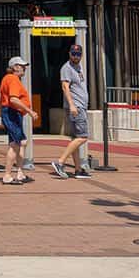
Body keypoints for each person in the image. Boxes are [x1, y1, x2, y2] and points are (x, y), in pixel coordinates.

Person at [52, 43, 92, 179]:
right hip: (76, 107)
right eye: (74, 54)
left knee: (76, 138)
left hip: (81, 106)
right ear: (69, 54)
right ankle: (60, 162)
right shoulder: (67, 68)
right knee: (83, 137)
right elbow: (65, 87)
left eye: (78, 54)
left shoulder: (79, 67)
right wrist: (72, 105)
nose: (76, 56)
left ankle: (78, 169)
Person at [0, 56, 38, 185]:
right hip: (12, 113)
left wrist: (2, 112)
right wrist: (30, 111)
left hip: (11, 113)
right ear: (15, 67)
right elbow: (14, 99)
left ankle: (20, 172)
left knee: (23, 142)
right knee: (15, 144)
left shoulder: (7, 79)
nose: (24, 68)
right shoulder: (13, 79)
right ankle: (7, 175)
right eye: (22, 66)